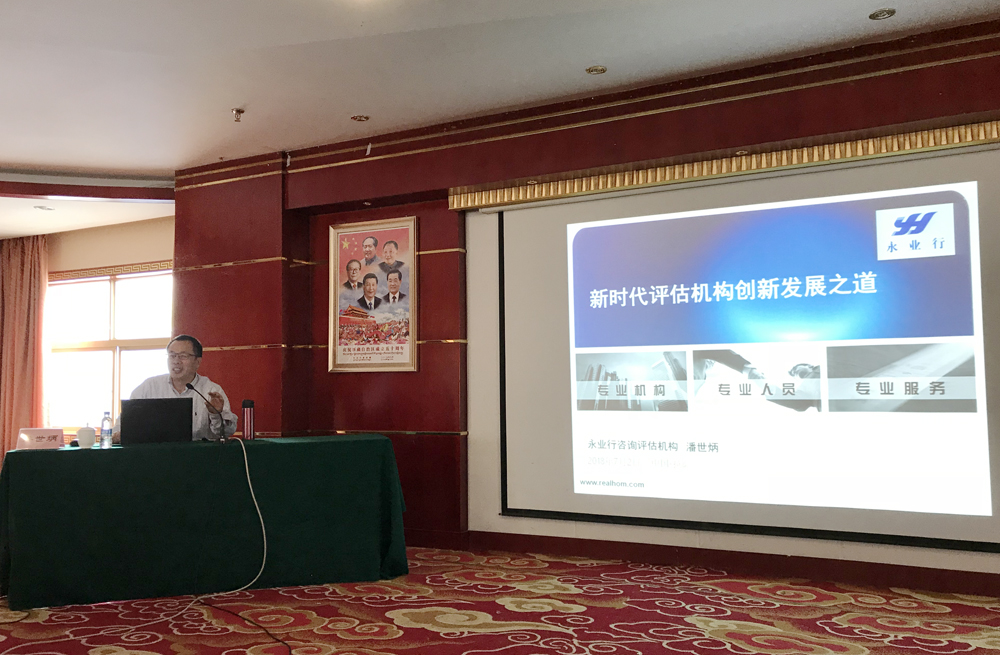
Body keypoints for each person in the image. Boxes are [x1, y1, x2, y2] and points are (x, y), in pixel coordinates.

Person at [114, 335, 237, 441]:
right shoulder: (149, 387)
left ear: (197, 362)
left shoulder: (210, 391)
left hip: (198, 457)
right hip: (154, 456)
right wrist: (119, 434)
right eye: (172, 355)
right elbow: (123, 425)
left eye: (183, 356)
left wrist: (216, 414)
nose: (176, 361)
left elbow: (225, 433)